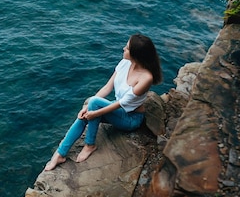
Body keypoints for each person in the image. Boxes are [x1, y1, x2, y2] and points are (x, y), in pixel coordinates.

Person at [44, 33, 162, 171]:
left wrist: (94, 113)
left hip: (130, 118)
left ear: (136, 54)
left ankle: (90, 145)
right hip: (117, 109)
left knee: (93, 105)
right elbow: (107, 87)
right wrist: (88, 108)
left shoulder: (146, 78)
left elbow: (121, 103)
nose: (123, 48)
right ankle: (60, 154)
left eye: (128, 48)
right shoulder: (125, 63)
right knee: (88, 109)